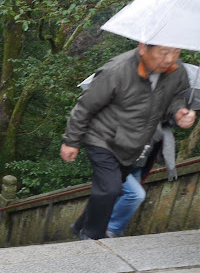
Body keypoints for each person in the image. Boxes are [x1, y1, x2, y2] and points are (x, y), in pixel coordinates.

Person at [61, 43, 195, 240]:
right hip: (102, 138)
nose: (170, 59)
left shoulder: (178, 72)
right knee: (110, 188)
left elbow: (175, 100)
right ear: (143, 48)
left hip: (133, 145)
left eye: (176, 52)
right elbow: (85, 107)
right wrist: (71, 141)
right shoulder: (117, 70)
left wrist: (178, 114)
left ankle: (80, 225)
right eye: (164, 52)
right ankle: (92, 238)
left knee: (110, 191)